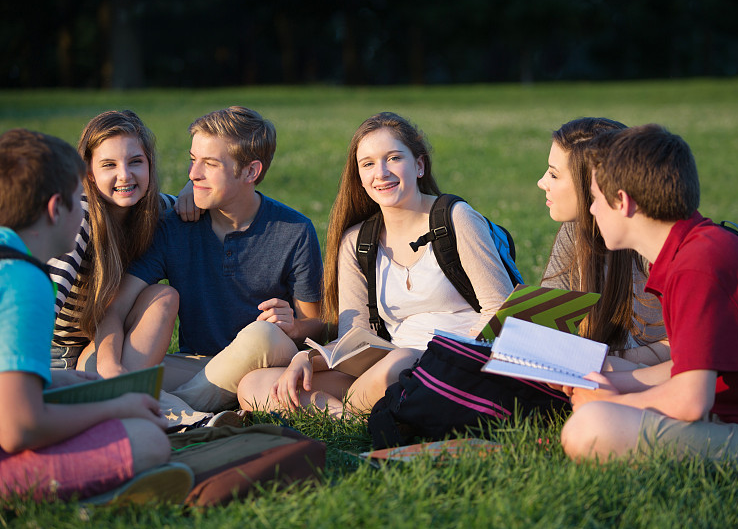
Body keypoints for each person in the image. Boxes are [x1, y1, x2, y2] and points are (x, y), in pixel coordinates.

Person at [237, 112, 514, 416]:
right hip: (387, 366)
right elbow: (353, 339)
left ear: (419, 165)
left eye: (393, 158)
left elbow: (500, 312)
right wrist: (308, 359)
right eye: (368, 164)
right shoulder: (357, 242)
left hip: (457, 364)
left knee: (396, 365)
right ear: (358, 175)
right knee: (255, 384)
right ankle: (353, 415)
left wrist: (436, 358)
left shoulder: (456, 218)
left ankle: (348, 413)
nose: (380, 173)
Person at [560, 124, 738, 466]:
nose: (592, 210)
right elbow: (689, 367)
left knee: (589, 428)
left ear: (623, 202)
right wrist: (613, 380)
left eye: (596, 199)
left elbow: (690, 400)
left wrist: (610, 403)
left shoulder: (696, 268)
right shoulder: (695, 249)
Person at [0, 128, 192, 503]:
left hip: (57, 373)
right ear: (58, 208)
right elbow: (19, 427)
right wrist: (115, 406)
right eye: (80, 198)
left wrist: (54, 381)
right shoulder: (25, 280)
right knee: (149, 440)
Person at [93, 106, 325, 415]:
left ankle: (170, 412)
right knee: (109, 366)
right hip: (199, 365)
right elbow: (116, 308)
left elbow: (321, 327)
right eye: (193, 160)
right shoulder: (173, 227)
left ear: (250, 172)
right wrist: (109, 367)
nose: (192, 174)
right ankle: (190, 410)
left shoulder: (294, 230)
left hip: (267, 361)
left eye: (209, 164)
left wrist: (294, 327)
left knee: (261, 334)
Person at [48, 110, 181, 377]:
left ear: (150, 164)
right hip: (54, 355)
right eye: (109, 165)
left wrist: (193, 194)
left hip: (103, 343)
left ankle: (120, 393)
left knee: (163, 296)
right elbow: (46, 296)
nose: (125, 175)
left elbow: (211, 211)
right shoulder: (79, 214)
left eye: (135, 162)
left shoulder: (158, 210)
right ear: (90, 173)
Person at [538, 117, 669, 368]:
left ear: (593, 185)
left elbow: (684, 348)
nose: (541, 182)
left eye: (554, 175)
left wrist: (606, 362)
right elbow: (545, 329)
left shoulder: (654, 249)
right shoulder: (574, 233)